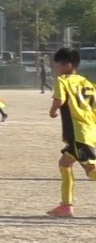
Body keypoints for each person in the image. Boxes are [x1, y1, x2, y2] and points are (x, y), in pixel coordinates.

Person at [46, 47, 96, 218]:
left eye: (57, 65)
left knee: (92, 170)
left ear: (68, 65)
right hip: (89, 130)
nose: (56, 69)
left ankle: (66, 206)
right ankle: (66, 206)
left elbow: (59, 100)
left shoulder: (63, 80)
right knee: (65, 163)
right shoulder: (88, 83)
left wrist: (53, 110)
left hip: (78, 133)